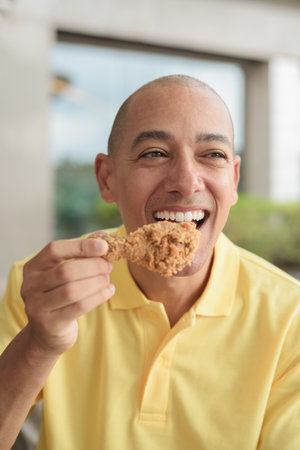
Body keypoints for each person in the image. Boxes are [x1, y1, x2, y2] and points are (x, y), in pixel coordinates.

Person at [0, 74, 300, 450]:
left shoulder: (291, 315)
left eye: (212, 155)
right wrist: (40, 342)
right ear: (107, 178)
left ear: (234, 179)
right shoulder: (45, 289)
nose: (186, 182)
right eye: (154, 153)